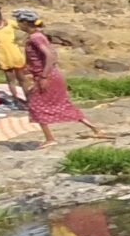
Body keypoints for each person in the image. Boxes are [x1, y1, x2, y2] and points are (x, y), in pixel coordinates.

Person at [14, 10, 109, 147]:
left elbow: (49, 56)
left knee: (35, 105)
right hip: (50, 74)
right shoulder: (38, 36)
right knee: (63, 103)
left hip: (47, 76)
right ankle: (95, 129)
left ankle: (50, 139)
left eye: (19, 22)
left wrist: (44, 76)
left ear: (24, 23)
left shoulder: (35, 38)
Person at [0, 7, 28, 100]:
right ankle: (16, 99)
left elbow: (26, 29)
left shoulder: (10, 23)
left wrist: (21, 40)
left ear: (0, 18)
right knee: (10, 79)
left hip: (14, 53)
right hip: (2, 55)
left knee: (21, 78)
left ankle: (29, 98)